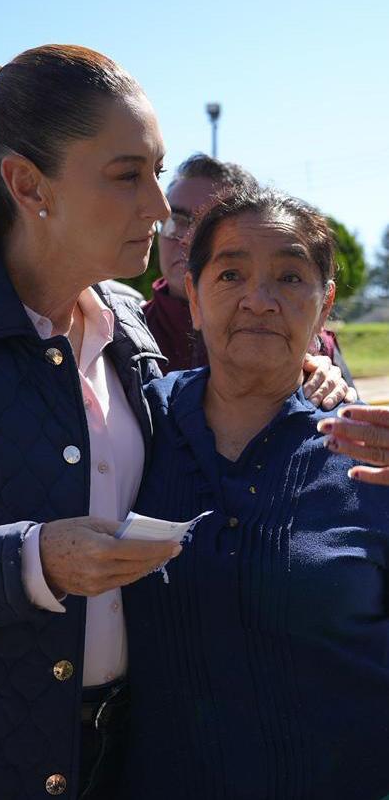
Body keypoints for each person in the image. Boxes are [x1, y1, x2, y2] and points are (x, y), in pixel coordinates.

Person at [0, 47, 348, 800]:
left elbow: (214, 410)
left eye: (156, 172)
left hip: (115, 761)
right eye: (127, 176)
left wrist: (311, 375)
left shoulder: (126, 324)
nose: (159, 208)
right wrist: (31, 563)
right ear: (29, 184)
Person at [124, 188, 389, 799]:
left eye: (290, 277)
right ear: (192, 298)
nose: (259, 300)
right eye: (230, 274)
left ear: (324, 306)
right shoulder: (133, 427)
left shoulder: (370, 454)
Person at [144, 153, 355, 392]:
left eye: (209, 224)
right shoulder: (124, 336)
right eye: (177, 221)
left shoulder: (314, 346)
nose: (188, 239)